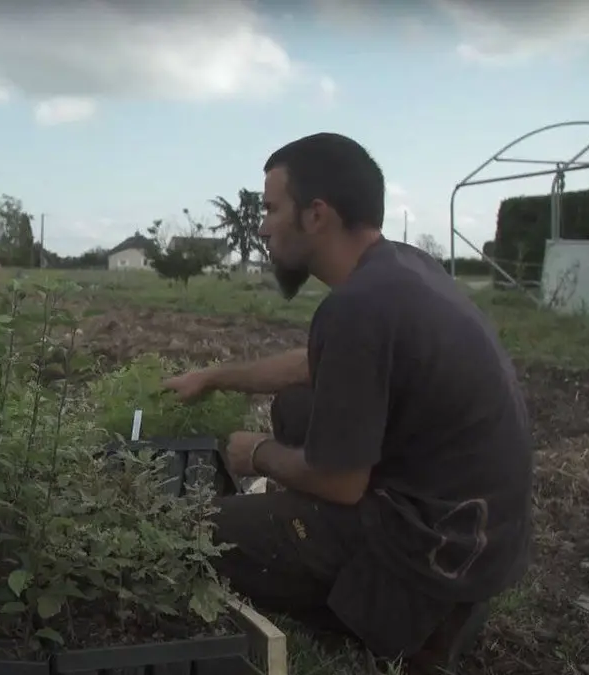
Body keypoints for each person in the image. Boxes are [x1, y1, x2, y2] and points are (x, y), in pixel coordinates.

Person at [163, 133, 533, 674]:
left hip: (433, 551)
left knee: (195, 532)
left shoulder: (359, 307)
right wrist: (214, 377)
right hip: (483, 536)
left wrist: (258, 454)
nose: (262, 225)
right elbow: (316, 365)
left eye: (271, 208)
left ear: (317, 215)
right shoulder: (402, 270)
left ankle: (406, 619)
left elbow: (342, 484)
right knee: (295, 407)